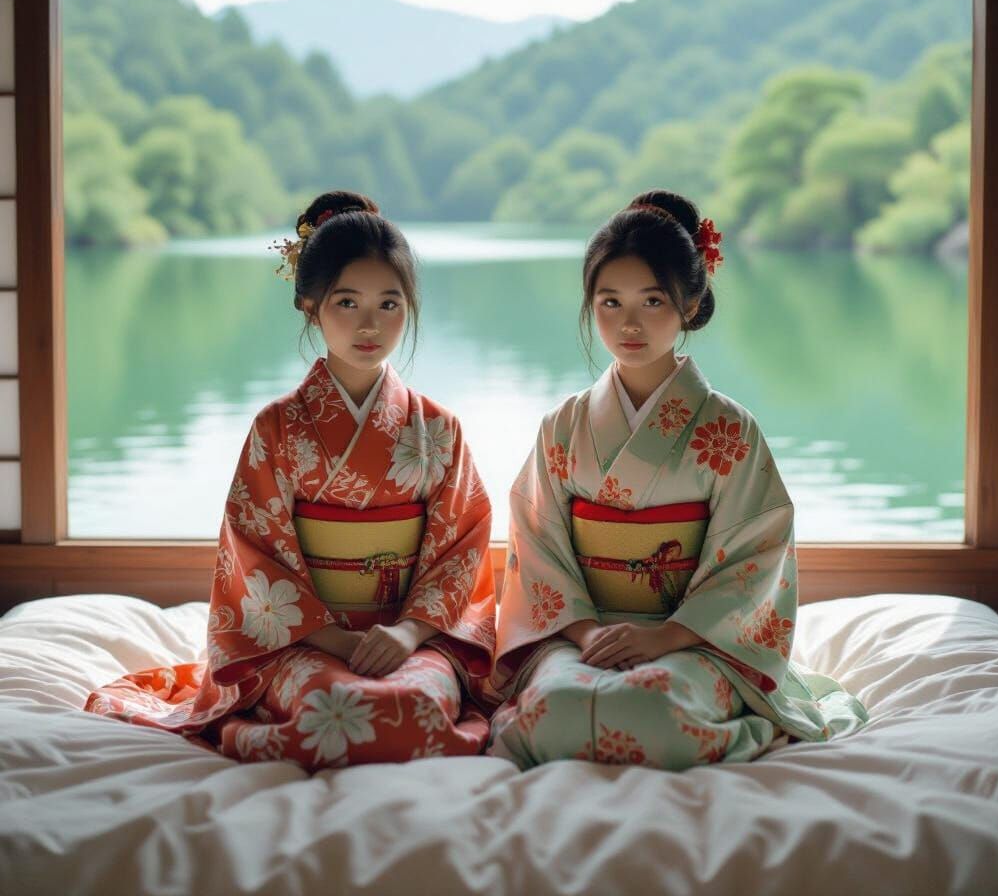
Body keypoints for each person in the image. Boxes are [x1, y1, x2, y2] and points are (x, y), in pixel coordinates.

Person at [85, 191, 496, 769]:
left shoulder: (438, 428)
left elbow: (461, 548)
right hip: (302, 641)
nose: (369, 324)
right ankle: (256, 731)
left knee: (414, 703)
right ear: (310, 303)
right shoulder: (277, 428)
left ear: (410, 307)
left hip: (411, 637)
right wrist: (336, 640)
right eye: (347, 302)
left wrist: (405, 635)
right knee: (332, 710)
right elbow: (253, 554)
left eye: (390, 304)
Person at [488, 190, 868, 770]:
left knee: (653, 709)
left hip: (691, 639)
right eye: (609, 302)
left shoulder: (728, 430)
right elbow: (536, 543)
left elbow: (754, 554)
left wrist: (667, 637)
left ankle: (748, 735)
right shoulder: (562, 426)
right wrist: (589, 635)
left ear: (689, 305)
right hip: (583, 633)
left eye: (652, 301)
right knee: (559, 706)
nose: (628, 323)